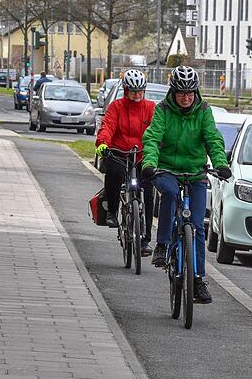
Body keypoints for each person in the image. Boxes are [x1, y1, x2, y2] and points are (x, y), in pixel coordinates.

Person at [141, 65, 232, 304]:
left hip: (195, 172)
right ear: (173, 92)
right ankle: (162, 245)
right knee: (170, 194)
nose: (186, 97)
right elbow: (152, 138)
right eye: (181, 93)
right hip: (167, 169)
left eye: (190, 92)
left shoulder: (203, 110)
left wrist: (220, 164)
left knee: (198, 226)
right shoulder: (162, 110)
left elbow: (213, 138)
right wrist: (149, 163)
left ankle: (198, 279)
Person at [94, 70, 156, 256]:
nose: (137, 95)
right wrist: (103, 143)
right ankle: (112, 211)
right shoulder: (116, 107)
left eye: (140, 91)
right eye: (133, 91)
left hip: (142, 156)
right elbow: (108, 127)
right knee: (114, 172)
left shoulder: (151, 108)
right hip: (120, 152)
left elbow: (158, 131)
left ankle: (145, 239)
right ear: (126, 90)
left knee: (149, 188)